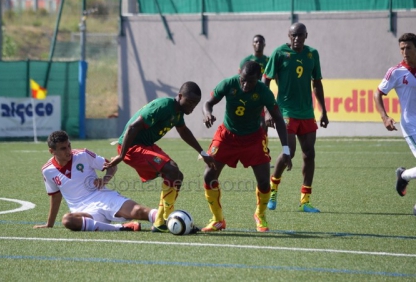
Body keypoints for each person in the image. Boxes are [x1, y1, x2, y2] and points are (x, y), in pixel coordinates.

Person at [104, 81, 216, 232]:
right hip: (131, 146)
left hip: (145, 145)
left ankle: (159, 222)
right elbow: (132, 127)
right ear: (180, 96)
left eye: (195, 104)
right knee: (171, 169)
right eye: (189, 102)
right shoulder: (164, 106)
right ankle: (168, 219)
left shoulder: (177, 112)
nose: (192, 106)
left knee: (177, 176)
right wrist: (121, 156)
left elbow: (183, 131)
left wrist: (202, 153)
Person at [201, 61, 292, 233]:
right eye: (243, 80)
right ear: (239, 75)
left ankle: (260, 214)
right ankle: (218, 219)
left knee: (264, 182)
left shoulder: (264, 92)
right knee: (208, 175)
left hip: (253, 139)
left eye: (250, 81)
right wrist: (207, 113)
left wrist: (286, 149)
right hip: (227, 135)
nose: (245, 84)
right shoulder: (229, 84)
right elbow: (208, 103)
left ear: (258, 78)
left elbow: (278, 118)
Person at [34, 130, 157, 232]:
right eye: (63, 148)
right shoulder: (47, 170)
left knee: (139, 211)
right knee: (68, 220)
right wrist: (49, 224)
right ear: (52, 151)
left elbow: (112, 166)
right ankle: (120, 228)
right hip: (83, 211)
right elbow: (55, 197)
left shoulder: (83, 155)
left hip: (102, 196)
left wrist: (105, 180)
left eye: (69, 146)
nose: (68, 151)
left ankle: (165, 219)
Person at [263, 22, 328, 213]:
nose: (296, 39)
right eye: (293, 35)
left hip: (307, 112)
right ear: (288, 36)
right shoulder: (279, 53)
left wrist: (323, 110)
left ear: (306, 35)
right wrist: (267, 110)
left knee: (309, 154)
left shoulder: (312, 54)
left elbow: (317, 83)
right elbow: (265, 80)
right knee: (288, 152)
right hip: (285, 112)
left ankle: (305, 201)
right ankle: (272, 191)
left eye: (300, 35)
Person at [374, 33, 416, 198]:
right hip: (411, 125)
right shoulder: (396, 72)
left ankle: (403, 176)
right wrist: (385, 117)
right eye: (402, 48)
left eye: (409, 48)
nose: (405, 52)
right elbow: (377, 94)